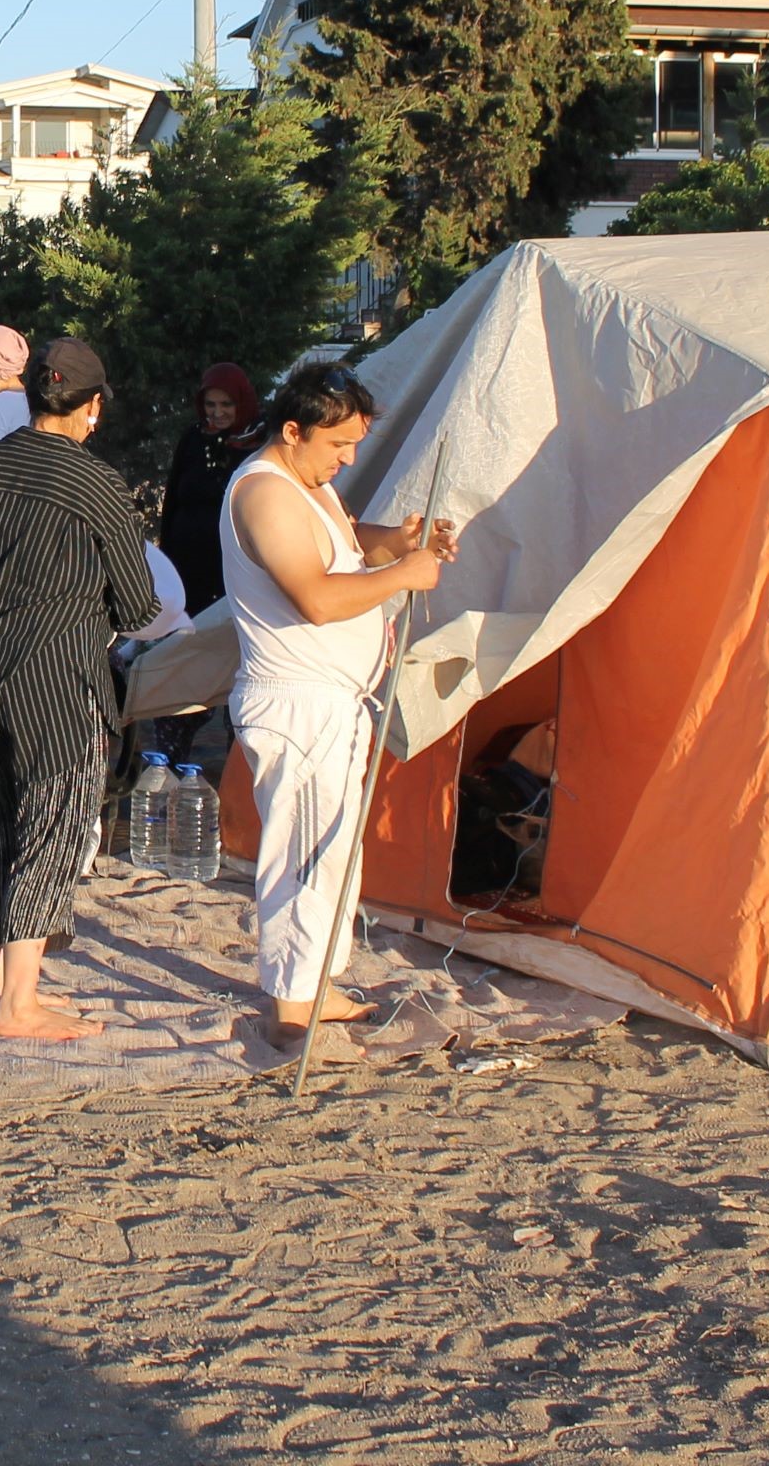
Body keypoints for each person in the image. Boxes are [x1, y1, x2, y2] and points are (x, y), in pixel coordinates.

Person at [0, 338, 158, 1042]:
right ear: (93, 407)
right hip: (51, 674)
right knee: (50, 819)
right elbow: (139, 606)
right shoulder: (97, 485)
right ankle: (20, 1002)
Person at [220, 360, 457, 1063]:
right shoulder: (264, 494)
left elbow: (348, 547)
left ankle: (315, 982)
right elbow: (316, 597)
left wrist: (402, 544)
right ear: (292, 431)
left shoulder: (307, 484)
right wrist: (403, 576)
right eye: (336, 445)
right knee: (301, 853)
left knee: (331, 854)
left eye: (355, 444)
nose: (347, 459)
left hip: (334, 701)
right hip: (295, 702)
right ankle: (290, 1005)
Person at [158, 362, 265, 615]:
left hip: (232, 564)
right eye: (210, 405)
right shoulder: (194, 438)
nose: (217, 413)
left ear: (241, 401)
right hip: (188, 562)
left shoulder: (259, 441)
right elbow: (174, 498)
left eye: (226, 404)